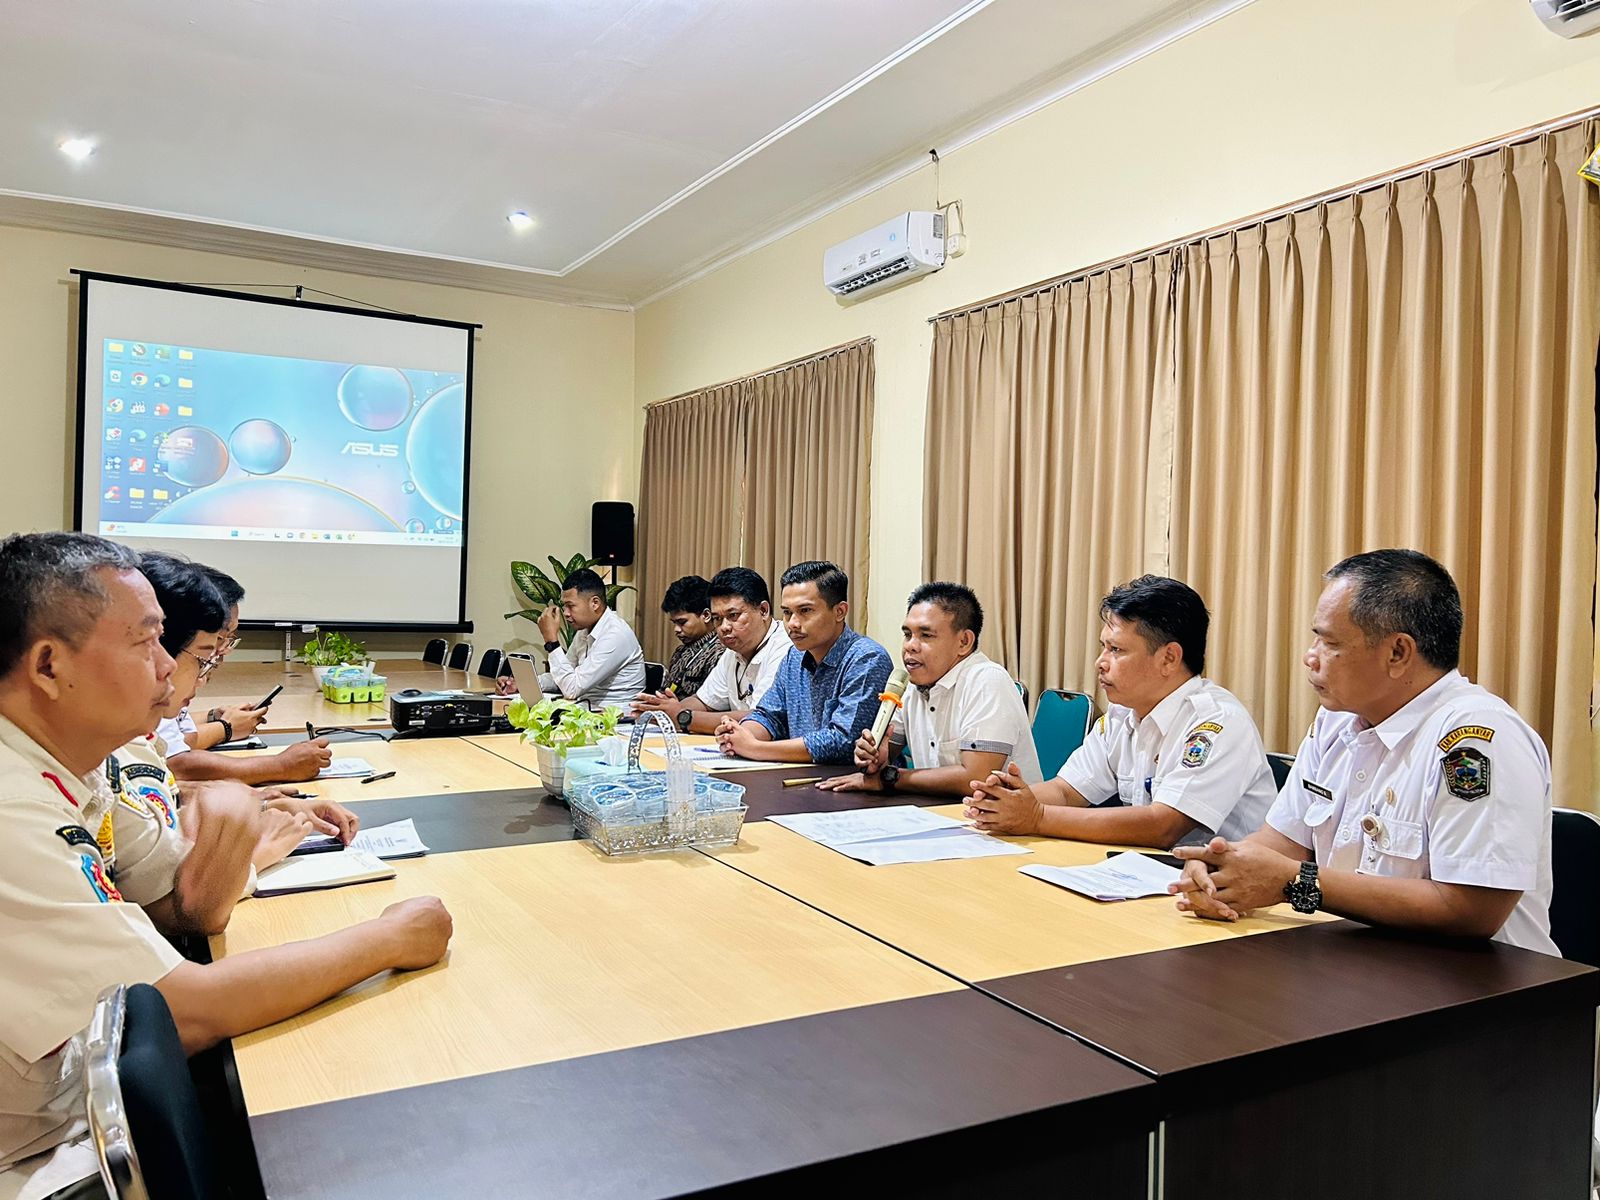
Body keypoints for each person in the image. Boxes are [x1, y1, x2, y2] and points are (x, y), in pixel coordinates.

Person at [0, 533, 452, 1191]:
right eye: (147, 641)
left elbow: (179, 902)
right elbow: (178, 1014)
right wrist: (389, 938)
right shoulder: (13, 805)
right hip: (45, 1158)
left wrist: (235, 833)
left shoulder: (76, 769)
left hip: (85, 1109)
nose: (166, 665)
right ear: (48, 666)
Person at [1169, 549, 1557, 955]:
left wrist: (1297, 883)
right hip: (1358, 963)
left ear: (1398, 653)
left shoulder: (1476, 739)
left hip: (1484, 995)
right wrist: (1221, 869)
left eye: (1329, 641)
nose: (1310, 656)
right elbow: (1282, 841)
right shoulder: (1336, 722)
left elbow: (1471, 910)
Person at [965, 575, 1275, 848]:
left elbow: (1163, 826)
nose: (1101, 662)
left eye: (1116, 650)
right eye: (1104, 647)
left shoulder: (1216, 722)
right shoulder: (1121, 714)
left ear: (1169, 658)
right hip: (1152, 876)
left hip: (1226, 895)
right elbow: (1066, 791)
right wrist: (1006, 801)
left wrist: (1035, 816)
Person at [819, 582, 1041, 797]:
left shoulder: (987, 680)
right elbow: (885, 755)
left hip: (1002, 828)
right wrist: (874, 757)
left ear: (964, 641)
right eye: (907, 634)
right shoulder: (911, 686)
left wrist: (891, 778)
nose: (910, 646)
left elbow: (975, 779)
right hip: (938, 815)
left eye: (926, 635)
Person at [162, 564, 334, 785]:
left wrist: (213, 716)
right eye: (221, 638)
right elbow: (174, 760)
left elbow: (175, 734)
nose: (221, 650)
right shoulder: (166, 671)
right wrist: (278, 765)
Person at [717, 561, 892, 765]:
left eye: (805, 611)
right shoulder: (794, 657)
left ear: (840, 611)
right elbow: (770, 716)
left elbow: (844, 741)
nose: (792, 623)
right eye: (787, 612)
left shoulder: (866, 658)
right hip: (801, 779)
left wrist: (756, 748)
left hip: (851, 785)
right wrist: (738, 735)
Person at [633, 566, 791, 734]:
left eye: (733, 616)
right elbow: (703, 701)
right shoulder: (733, 650)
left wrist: (682, 717)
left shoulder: (785, 648)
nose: (724, 627)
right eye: (717, 619)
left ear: (763, 611)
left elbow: (759, 719)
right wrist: (663, 712)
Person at [530, 567, 647, 707]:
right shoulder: (584, 630)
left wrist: (551, 642)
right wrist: (529, 684)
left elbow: (571, 689)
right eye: (564, 606)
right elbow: (562, 677)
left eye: (570, 606)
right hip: (588, 712)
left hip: (616, 720)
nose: (565, 613)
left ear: (595, 603)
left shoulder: (615, 634)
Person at [655, 575, 723, 699]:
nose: (676, 630)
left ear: (706, 615)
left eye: (682, 622)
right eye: (674, 623)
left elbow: (711, 703)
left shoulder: (720, 653)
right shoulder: (681, 651)